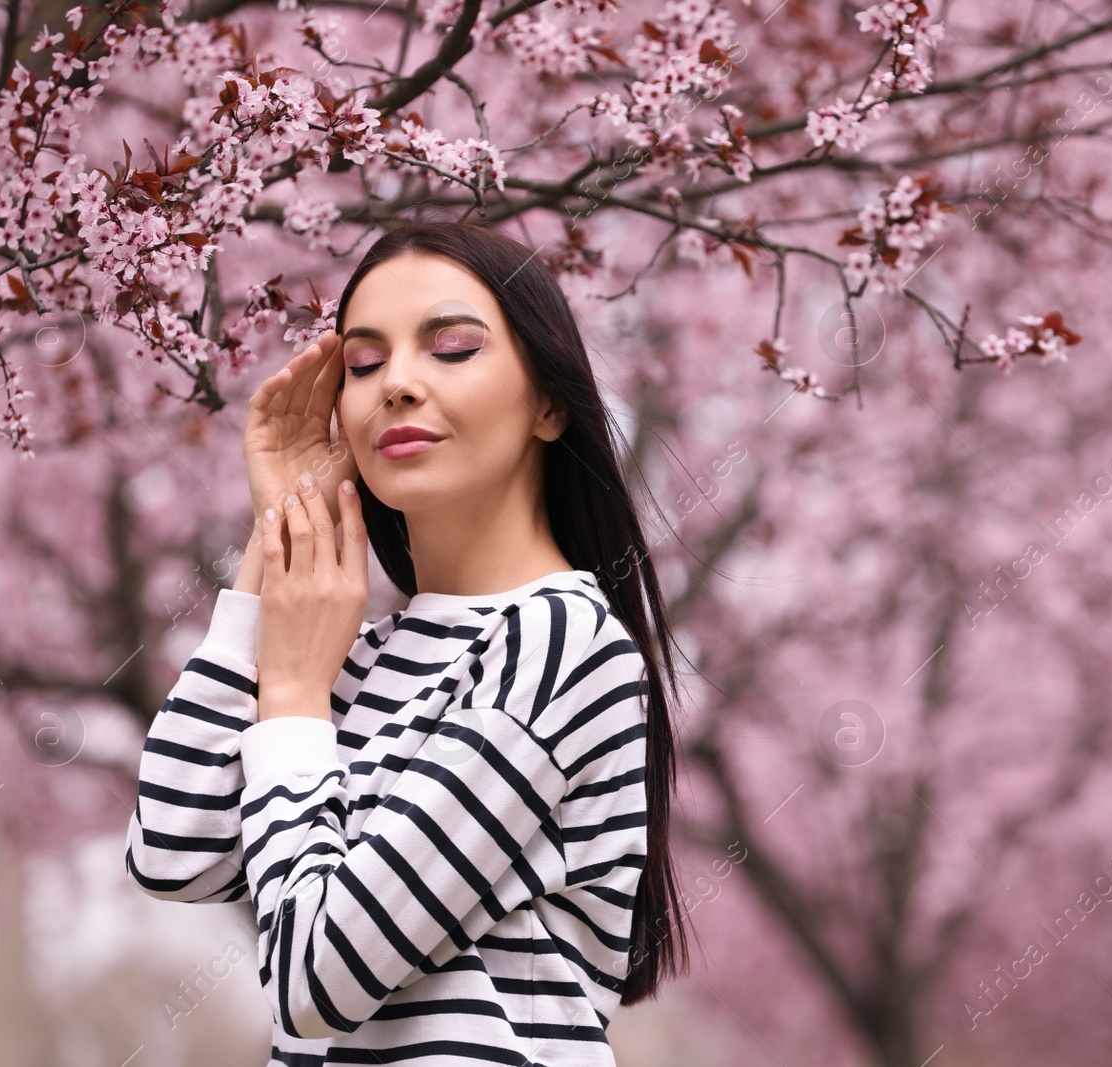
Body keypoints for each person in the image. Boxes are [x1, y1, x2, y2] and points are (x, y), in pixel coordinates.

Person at [126, 218, 690, 1064]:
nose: (396, 383)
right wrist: (281, 529)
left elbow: (316, 981)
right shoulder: (354, 660)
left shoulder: (563, 647)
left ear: (549, 402)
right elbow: (170, 847)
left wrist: (291, 697)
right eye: (362, 362)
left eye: (452, 348)